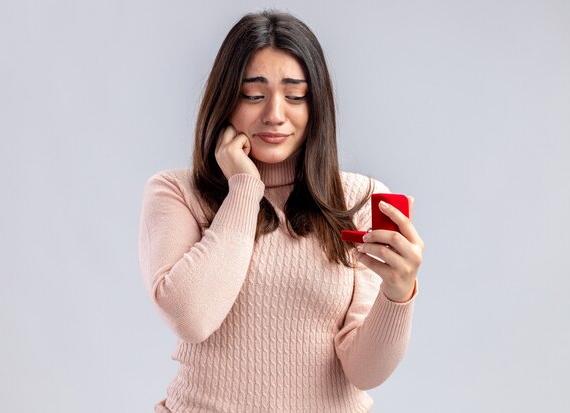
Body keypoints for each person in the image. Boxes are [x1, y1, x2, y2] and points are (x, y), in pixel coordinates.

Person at [138, 9, 424, 413]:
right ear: (225, 100)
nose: (275, 114)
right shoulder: (177, 192)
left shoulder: (358, 199)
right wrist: (244, 187)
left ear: (316, 105)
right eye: (253, 95)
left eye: (295, 95)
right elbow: (191, 317)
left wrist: (399, 294)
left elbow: (364, 372)